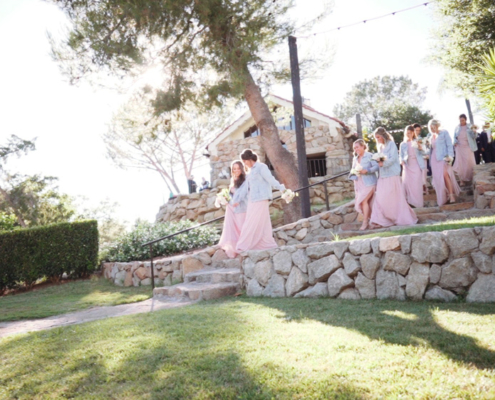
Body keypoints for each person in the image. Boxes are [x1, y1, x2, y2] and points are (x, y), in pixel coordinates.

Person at [235, 149, 286, 253]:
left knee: (250, 222)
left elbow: (270, 179)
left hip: (261, 198)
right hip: (252, 200)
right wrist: (238, 199)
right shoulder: (250, 172)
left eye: (244, 161)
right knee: (263, 222)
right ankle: (266, 245)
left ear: (249, 159)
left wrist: (281, 187)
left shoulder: (261, 167)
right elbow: (245, 188)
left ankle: (243, 246)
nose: (244, 164)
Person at [369, 127, 417, 228]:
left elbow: (393, 159)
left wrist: (383, 163)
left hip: (392, 174)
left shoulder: (391, 144)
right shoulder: (380, 146)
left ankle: (399, 218)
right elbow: (380, 160)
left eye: (378, 137)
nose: (377, 140)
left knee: (394, 199)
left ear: (382, 136)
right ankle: (380, 220)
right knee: (379, 198)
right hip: (382, 175)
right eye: (376, 138)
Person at [218, 161, 248, 258]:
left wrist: (236, 201)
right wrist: (226, 198)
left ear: (242, 168)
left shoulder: (245, 179)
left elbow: (244, 194)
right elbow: (231, 194)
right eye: (234, 169)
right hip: (232, 207)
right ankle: (237, 248)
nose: (236, 170)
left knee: (241, 226)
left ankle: (245, 247)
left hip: (242, 207)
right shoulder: (233, 179)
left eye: (238, 168)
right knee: (233, 227)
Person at [428, 119, 461, 205]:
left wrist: (450, 157)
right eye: (430, 128)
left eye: (433, 127)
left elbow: (449, 145)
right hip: (434, 160)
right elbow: (431, 150)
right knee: (438, 179)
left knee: (445, 175)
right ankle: (443, 197)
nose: (432, 129)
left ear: (437, 126)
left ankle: (451, 195)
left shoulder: (444, 133)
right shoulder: (431, 137)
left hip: (443, 158)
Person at [349, 139, 378, 231]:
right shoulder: (355, 158)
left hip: (369, 182)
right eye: (354, 148)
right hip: (359, 183)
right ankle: (370, 220)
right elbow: (353, 169)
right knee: (365, 203)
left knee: (363, 201)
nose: (356, 149)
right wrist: (354, 172)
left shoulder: (369, 156)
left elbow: (376, 166)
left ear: (363, 146)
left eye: (357, 147)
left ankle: (365, 222)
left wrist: (367, 170)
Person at [400, 125, 427, 208]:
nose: (409, 135)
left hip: (416, 165)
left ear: (413, 133)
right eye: (407, 133)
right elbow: (400, 155)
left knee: (416, 185)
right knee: (407, 184)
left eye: (410, 133)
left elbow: (424, 152)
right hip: (407, 165)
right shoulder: (403, 144)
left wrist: (420, 147)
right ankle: (409, 203)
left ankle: (418, 204)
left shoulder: (418, 141)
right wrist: (401, 161)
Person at [453, 114, 477, 185]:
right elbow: (454, 137)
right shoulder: (457, 128)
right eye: (460, 120)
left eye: (463, 120)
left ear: (465, 120)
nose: (461, 122)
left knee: (469, 162)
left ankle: (472, 178)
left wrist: (474, 132)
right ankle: (461, 180)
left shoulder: (470, 127)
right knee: (460, 163)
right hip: (459, 146)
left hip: (468, 146)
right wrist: (455, 142)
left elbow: (474, 137)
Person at [414, 123, 430, 194]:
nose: (417, 132)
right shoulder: (411, 140)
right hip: (415, 159)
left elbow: (424, 149)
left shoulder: (421, 139)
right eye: (416, 130)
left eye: (419, 130)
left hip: (423, 158)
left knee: (423, 174)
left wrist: (426, 154)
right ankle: (420, 189)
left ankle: (425, 188)